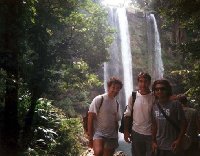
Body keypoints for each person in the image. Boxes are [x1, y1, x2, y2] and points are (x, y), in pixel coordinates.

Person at [87, 77, 123, 156]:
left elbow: (116, 122)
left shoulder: (116, 104)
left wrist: (116, 137)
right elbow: (90, 117)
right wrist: (90, 138)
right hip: (99, 133)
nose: (115, 90)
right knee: (98, 152)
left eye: (118, 88)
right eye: (113, 87)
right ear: (108, 87)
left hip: (112, 136)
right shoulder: (99, 99)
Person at [151, 79, 187, 156]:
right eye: (157, 89)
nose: (159, 91)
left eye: (162, 88)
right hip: (159, 145)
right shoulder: (154, 106)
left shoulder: (176, 104)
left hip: (173, 145)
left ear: (167, 90)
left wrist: (179, 140)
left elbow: (184, 124)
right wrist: (153, 141)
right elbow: (154, 125)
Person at [124, 72, 154, 156]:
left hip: (151, 134)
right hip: (136, 132)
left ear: (149, 83)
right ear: (138, 82)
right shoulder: (133, 96)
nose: (143, 84)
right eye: (141, 81)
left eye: (146, 81)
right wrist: (126, 132)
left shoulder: (154, 96)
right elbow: (128, 114)